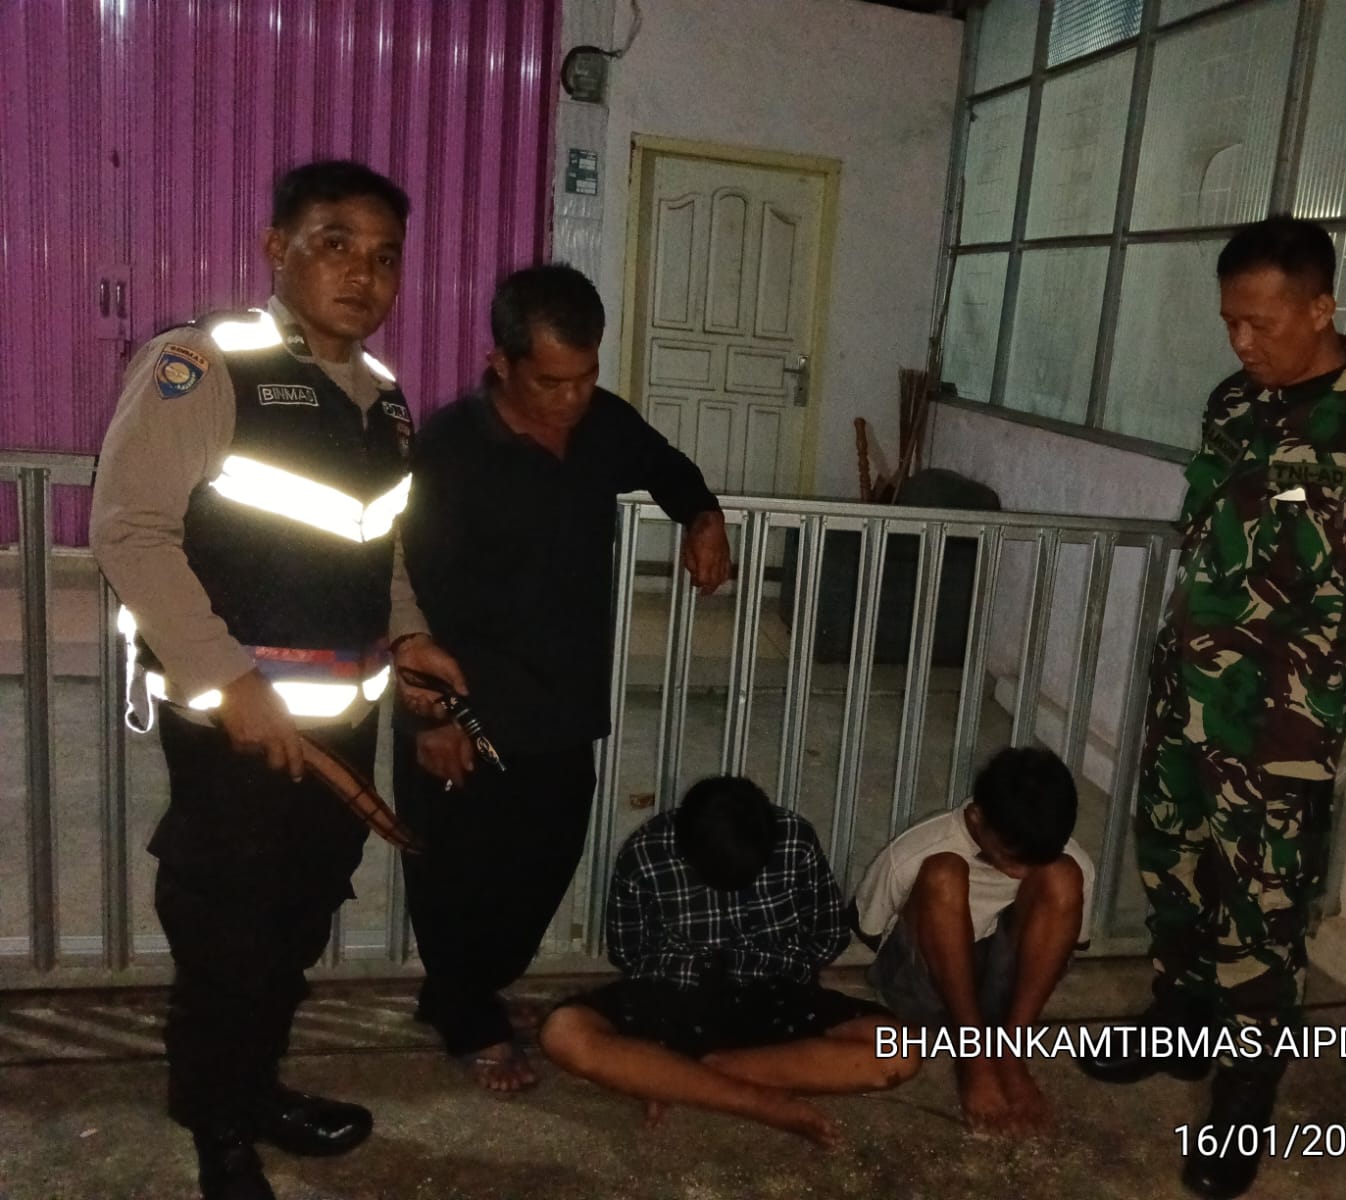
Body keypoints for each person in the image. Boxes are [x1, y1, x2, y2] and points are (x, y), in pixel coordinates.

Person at [90, 160, 465, 1200]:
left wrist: (410, 637)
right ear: (276, 250)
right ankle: (217, 1128)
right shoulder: (205, 364)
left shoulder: (383, 399)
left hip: (341, 726)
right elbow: (130, 531)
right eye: (334, 244)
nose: (363, 274)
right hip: (234, 726)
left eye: (384, 256)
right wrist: (228, 680)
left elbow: (378, 547)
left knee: (297, 920)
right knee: (228, 930)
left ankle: (251, 1089)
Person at [1077, 216, 1346, 1199]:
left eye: (1262, 323)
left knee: (1264, 903)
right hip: (1188, 689)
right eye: (1230, 323)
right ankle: (1180, 1017)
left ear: (1321, 308)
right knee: (1172, 859)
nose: (1243, 342)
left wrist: (1345, 683)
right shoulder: (1234, 404)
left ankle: (1244, 1094)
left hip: (1281, 719)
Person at [395, 263, 732, 1091]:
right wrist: (430, 717)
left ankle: (465, 991)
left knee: (546, 860)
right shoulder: (450, 449)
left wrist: (703, 516)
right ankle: (469, 1017)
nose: (573, 398)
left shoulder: (600, 424)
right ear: (500, 362)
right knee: (455, 874)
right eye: (552, 382)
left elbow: (667, 465)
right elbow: (405, 588)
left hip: (562, 702)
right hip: (466, 704)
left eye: (586, 377)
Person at [539, 776, 916, 1144]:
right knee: (564, 1031)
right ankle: (757, 1101)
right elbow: (630, 953)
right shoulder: (646, 851)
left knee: (900, 1049)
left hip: (776, 995)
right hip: (674, 995)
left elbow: (828, 934)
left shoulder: (795, 840)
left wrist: (788, 978)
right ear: (686, 850)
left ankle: (679, 1077)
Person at [851, 746, 1090, 1135]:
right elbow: (870, 929)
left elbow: (1067, 944)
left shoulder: (1062, 857)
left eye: (1032, 862)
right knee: (943, 873)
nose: (1020, 873)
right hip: (927, 990)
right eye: (1010, 857)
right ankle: (972, 1053)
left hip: (1006, 995)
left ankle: (1011, 1049)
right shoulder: (917, 851)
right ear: (977, 818)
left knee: (1065, 875)